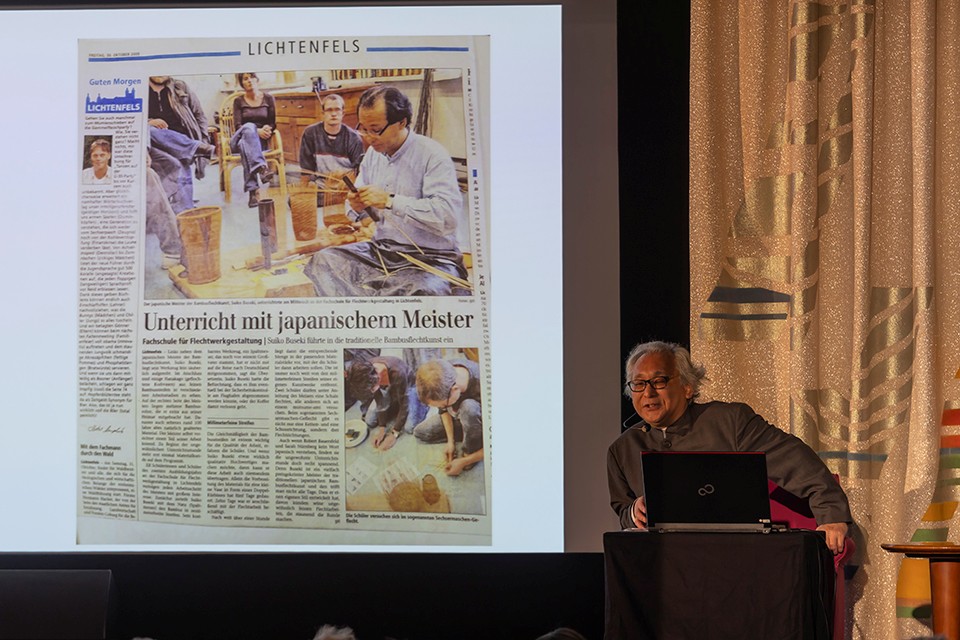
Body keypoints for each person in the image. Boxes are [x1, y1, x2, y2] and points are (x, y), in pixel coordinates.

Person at [607, 340, 852, 554]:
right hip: (662, 565)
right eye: (638, 384)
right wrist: (634, 512)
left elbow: (795, 461)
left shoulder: (729, 422)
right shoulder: (622, 449)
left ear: (687, 387)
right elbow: (623, 511)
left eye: (659, 381)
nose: (648, 393)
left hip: (735, 556)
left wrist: (832, 516)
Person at [303, 85, 468, 297]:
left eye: (376, 129)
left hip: (433, 257)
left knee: (420, 292)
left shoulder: (432, 155)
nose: (368, 137)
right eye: (363, 128)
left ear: (402, 122)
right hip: (382, 251)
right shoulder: (373, 154)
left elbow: (447, 217)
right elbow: (358, 209)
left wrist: (390, 201)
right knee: (324, 261)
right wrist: (357, 206)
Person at [147, 75, 214, 213]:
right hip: (154, 143)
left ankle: (185, 211)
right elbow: (130, 119)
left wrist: (204, 139)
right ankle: (195, 147)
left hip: (180, 141)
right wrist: (149, 122)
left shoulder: (180, 87)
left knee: (181, 166)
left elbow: (199, 115)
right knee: (151, 130)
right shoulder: (139, 89)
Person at [413, 358, 482, 476]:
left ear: (455, 390)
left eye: (443, 405)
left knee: (468, 408)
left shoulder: (485, 386)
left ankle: (472, 447)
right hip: (463, 416)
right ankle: (468, 431)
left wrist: (465, 461)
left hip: (479, 416)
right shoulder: (442, 372)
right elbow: (444, 411)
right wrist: (451, 442)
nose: (442, 408)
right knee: (420, 433)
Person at [298, 93, 364, 206]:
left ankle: (337, 201)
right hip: (322, 187)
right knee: (294, 201)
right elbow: (306, 168)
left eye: (337, 110)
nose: (333, 114)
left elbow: (359, 171)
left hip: (344, 188)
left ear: (343, 113)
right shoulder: (310, 133)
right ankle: (335, 201)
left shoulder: (354, 138)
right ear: (323, 113)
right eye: (329, 110)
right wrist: (304, 193)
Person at [346, 354, 415, 451]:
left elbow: (404, 403)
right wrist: (382, 428)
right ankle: (394, 404)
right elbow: (379, 399)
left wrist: (394, 433)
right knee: (369, 421)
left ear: (377, 376)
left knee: (409, 427)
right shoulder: (367, 371)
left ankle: (414, 404)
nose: (371, 391)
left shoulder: (398, 372)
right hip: (389, 388)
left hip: (409, 387)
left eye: (372, 389)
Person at [230, 72, 277, 208]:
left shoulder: (268, 98)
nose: (249, 80)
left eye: (252, 77)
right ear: (242, 84)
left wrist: (268, 128)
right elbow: (238, 126)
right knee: (248, 127)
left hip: (258, 143)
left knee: (244, 146)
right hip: (240, 137)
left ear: (257, 79)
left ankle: (253, 192)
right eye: (245, 79)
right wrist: (257, 131)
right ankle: (261, 167)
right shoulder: (238, 101)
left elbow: (272, 123)